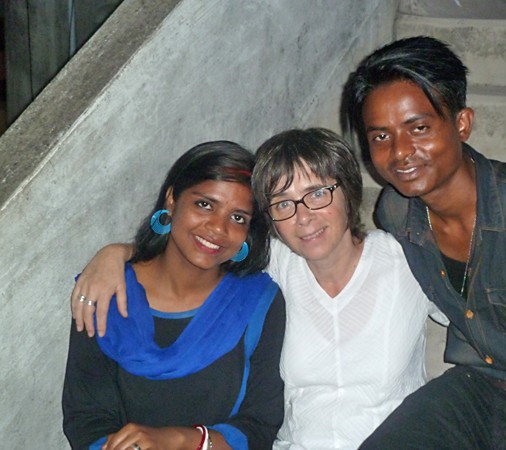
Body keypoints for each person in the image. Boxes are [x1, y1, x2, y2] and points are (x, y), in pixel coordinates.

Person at [69, 128, 447, 449]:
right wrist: (116, 255)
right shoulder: (279, 265)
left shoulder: (407, 257)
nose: (303, 217)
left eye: (318, 193)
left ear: (348, 191)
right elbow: (204, 247)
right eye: (283, 204)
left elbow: (473, 315)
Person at [341, 35, 506, 449]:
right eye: (381, 137)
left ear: (461, 123)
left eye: (419, 128)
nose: (401, 152)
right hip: (479, 386)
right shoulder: (397, 211)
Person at [62, 141, 286, 450]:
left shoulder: (258, 302)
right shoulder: (106, 290)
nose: (217, 228)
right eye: (205, 204)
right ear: (171, 200)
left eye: (238, 218)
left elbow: (259, 426)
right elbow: (85, 417)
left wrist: (180, 440)